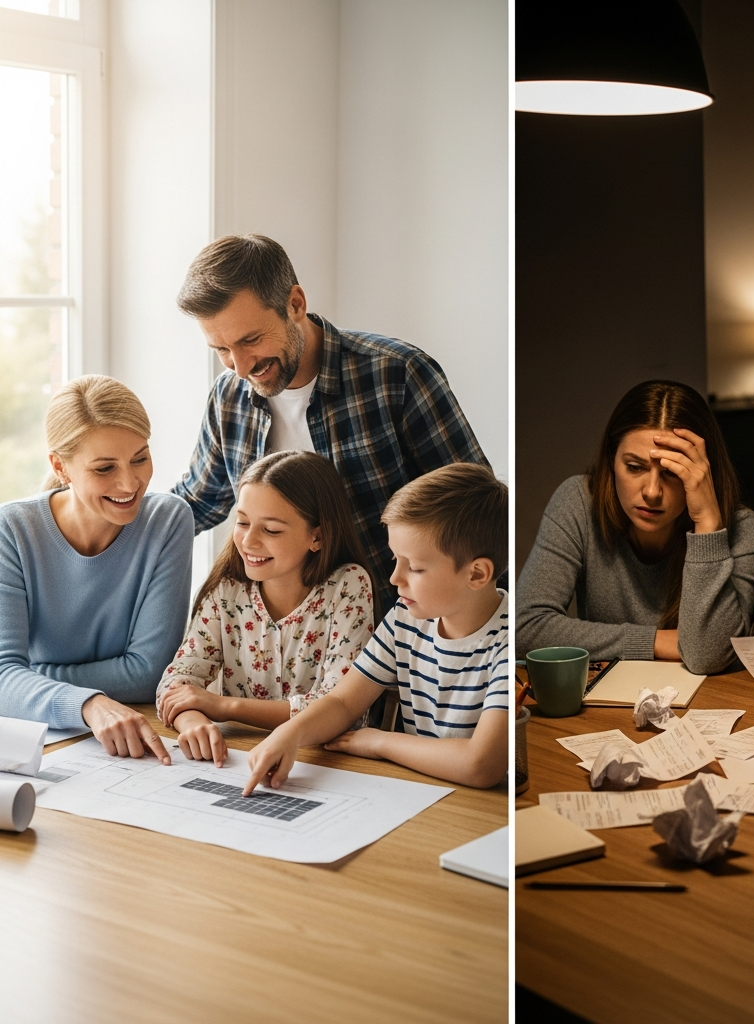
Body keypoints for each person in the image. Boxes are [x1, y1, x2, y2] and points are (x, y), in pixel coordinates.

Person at [171, 234, 490, 610]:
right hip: (284, 636)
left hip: (393, 625)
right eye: (222, 349)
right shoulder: (228, 397)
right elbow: (196, 502)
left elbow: (476, 510)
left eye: (251, 339)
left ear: (295, 304)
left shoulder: (397, 373)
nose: (240, 367)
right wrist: (96, 516)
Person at [242, 463, 508, 791]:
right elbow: (342, 703)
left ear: (477, 574)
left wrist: (380, 743)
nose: (395, 579)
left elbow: (480, 765)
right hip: (419, 791)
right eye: (396, 560)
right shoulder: (405, 618)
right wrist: (289, 734)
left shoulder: (507, 642)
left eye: (416, 568)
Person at [0, 376, 192, 761]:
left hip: (139, 735)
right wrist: (88, 704)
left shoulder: (168, 521)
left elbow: (148, 672)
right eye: (104, 468)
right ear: (60, 466)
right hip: (52, 742)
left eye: (140, 458)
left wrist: (32, 678)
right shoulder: (12, 531)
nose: (129, 482)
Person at [516, 380, 754, 673]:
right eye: (635, 467)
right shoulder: (578, 502)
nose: (651, 491)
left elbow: (706, 656)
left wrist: (708, 525)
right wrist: (653, 641)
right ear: (611, 462)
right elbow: (525, 626)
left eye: (672, 473)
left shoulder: (743, 530)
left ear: (701, 472)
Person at [156, 452, 375, 766]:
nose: (248, 541)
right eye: (242, 522)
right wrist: (192, 721)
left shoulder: (348, 586)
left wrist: (222, 707)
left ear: (318, 536)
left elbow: (335, 706)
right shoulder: (226, 589)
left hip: (324, 763)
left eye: (271, 530)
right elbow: (177, 681)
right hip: (237, 760)